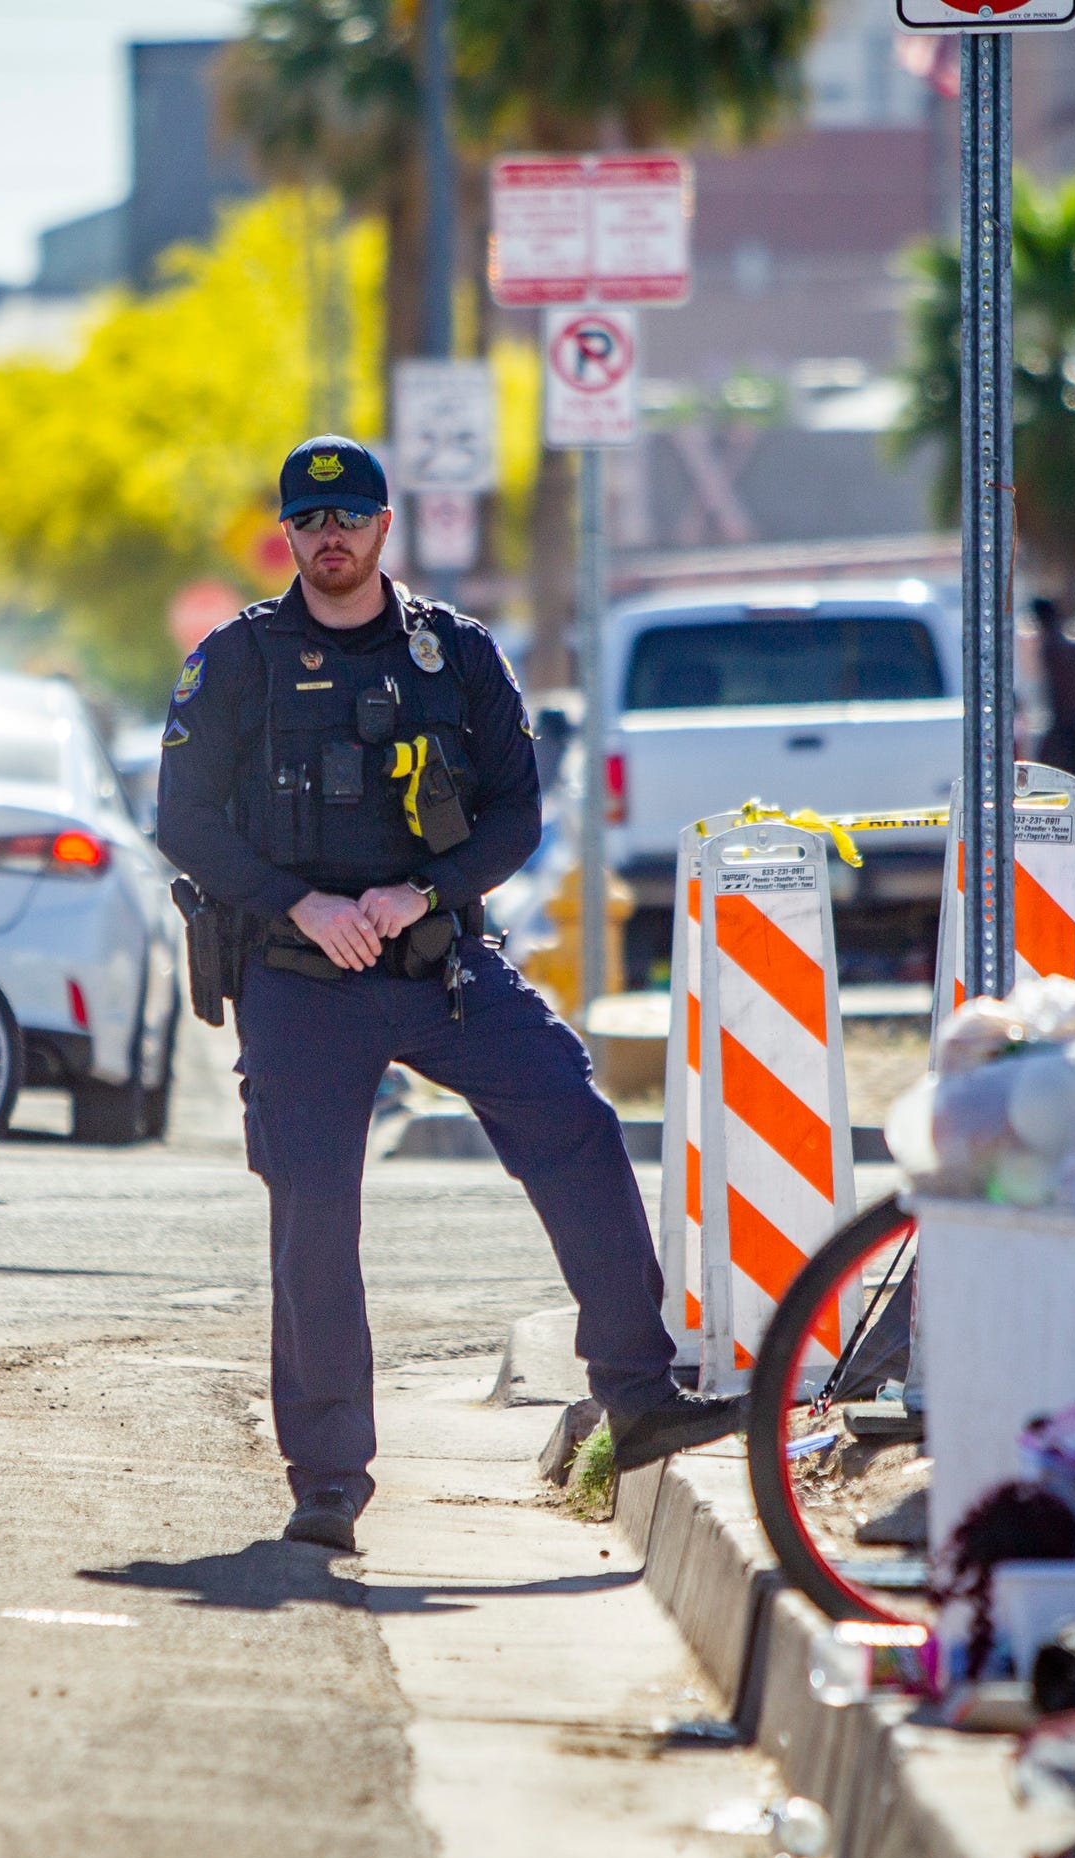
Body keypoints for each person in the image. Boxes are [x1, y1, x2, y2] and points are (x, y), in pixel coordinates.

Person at [156, 435, 740, 1554]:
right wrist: (301, 906)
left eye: (352, 516)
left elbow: (519, 814)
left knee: (573, 1117)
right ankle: (328, 1478)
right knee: (315, 1215)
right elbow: (183, 819)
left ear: (386, 527)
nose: (331, 537)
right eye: (310, 521)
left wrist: (420, 891)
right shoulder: (237, 659)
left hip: (440, 965)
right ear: (287, 535)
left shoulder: (455, 655)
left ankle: (639, 1391)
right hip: (296, 978)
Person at [1030, 596, 1075, 774]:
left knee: (1052, 773)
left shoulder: (1054, 647)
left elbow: (1067, 690)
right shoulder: (1072, 645)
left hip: (1066, 725)